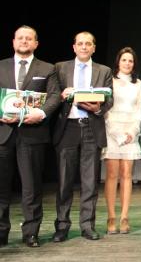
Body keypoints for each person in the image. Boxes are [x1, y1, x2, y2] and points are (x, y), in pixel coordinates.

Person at [0, 26, 61, 248]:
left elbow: (54, 96)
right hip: (3, 134)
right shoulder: (1, 66)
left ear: (36, 43)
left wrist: (41, 113)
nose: (24, 41)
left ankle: (31, 232)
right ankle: (1, 232)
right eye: (20, 38)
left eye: (29, 38)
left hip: (32, 133)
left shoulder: (47, 68)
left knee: (31, 186)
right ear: (13, 41)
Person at [52, 31, 113, 242]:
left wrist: (98, 108)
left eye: (88, 44)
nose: (84, 47)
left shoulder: (103, 70)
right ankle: (62, 226)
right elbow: (52, 95)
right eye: (81, 44)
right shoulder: (60, 68)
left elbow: (109, 99)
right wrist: (61, 95)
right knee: (64, 181)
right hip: (67, 127)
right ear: (74, 47)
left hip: (91, 127)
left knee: (89, 181)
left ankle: (87, 225)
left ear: (94, 48)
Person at [102, 47, 141, 235]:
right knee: (112, 174)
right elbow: (106, 109)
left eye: (131, 61)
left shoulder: (138, 84)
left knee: (127, 174)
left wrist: (132, 131)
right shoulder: (110, 81)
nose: (127, 63)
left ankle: (124, 217)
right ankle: (111, 216)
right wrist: (117, 133)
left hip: (130, 131)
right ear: (118, 62)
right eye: (124, 60)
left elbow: (139, 109)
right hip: (113, 130)